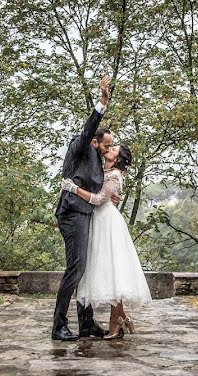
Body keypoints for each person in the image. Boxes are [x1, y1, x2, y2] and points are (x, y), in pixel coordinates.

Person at [62, 143, 152, 339]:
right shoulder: (104, 170)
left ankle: (116, 322)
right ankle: (121, 319)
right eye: (110, 147)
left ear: (117, 159)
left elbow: (98, 199)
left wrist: (74, 189)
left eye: (113, 150)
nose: (109, 150)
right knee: (108, 271)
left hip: (108, 223)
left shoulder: (114, 175)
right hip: (99, 221)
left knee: (113, 271)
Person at [51, 75, 117, 342]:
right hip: (72, 213)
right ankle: (58, 326)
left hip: (86, 213)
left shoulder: (97, 160)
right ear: (94, 141)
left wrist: (109, 197)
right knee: (76, 268)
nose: (108, 149)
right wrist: (101, 102)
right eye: (106, 145)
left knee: (86, 269)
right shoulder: (80, 147)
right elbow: (90, 127)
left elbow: (98, 191)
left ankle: (86, 324)